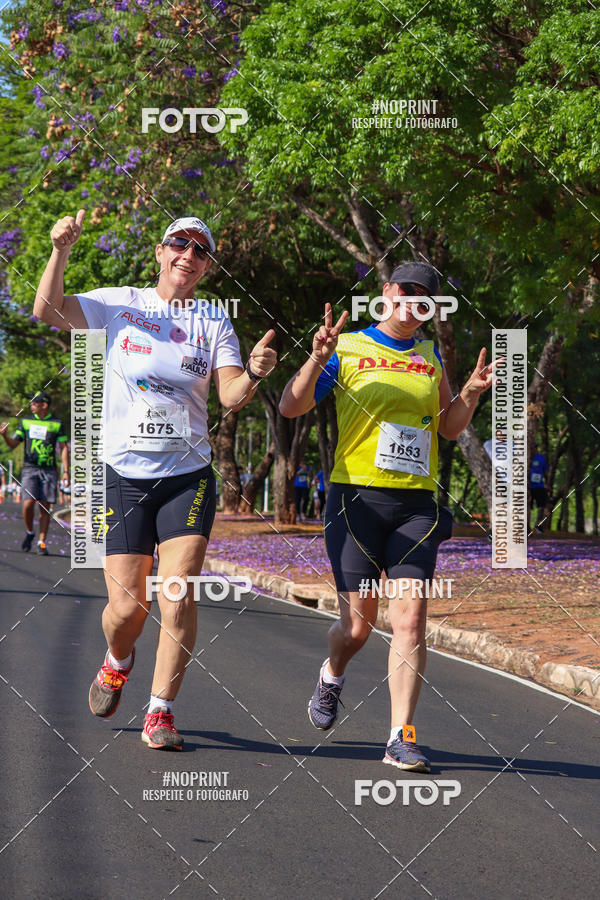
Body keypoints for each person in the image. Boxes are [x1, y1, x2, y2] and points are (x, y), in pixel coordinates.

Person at [34, 210, 277, 750]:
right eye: (179, 245)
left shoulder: (213, 321)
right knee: (127, 610)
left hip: (187, 476)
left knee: (177, 593)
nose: (189, 256)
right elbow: (47, 309)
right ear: (161, 252)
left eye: (200, 250)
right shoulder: (119, 304)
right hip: (123, 475)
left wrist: (255, 373)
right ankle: (118, 660)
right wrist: (60, 250)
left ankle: (160, 712)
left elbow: (230, 395)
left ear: (207, 266)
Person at [280, 260, 500, 772]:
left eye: (426, 297)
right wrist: (316, 359)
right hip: (356, 501)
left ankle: (401, 736)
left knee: (411, 620)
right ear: (387, 292)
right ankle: (332, 674)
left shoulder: (430, 355)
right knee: (358, 629)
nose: (414, 301)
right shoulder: (348, 346)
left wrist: (470, 393)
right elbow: (291, 407)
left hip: (416, 506)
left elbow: (449, 428)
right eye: (407, 290)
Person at [1, 392, 69, 555]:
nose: (31, 405)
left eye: (34, 402)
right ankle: (30, 532)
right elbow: (13, 444)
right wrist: (4, 436)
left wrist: (66, 471)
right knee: (27, 503)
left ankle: (41, 542)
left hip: (49, 470)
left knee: (45, 507)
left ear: (44, 405)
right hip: (29, 468)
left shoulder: (57, 424)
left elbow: (64, 448)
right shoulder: (25, 422)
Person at [529, 442, 549, 533]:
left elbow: (546, 472)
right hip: (528, 487)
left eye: (535, 447)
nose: (534, 449)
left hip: (539, 486)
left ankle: (538, 525)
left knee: (542, 506)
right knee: (527, 506)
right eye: (532, 448)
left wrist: (547, 484)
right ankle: (526, 526)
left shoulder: (541, 458)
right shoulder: (525, 458)